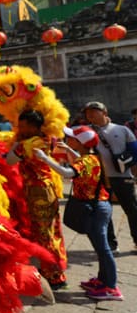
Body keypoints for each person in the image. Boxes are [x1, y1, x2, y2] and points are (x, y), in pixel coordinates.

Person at [35, 126, 123, 300]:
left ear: (80, 142)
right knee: (100, 247)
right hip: (98, 206)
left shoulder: (86, 161)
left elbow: (68, 172)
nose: (68, 139)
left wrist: (45, 159)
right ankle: (103, 280)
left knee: (103, 249)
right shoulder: (90, 157)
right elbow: (80, 162)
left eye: (72, 138)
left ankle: (111, 288)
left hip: (95, 208)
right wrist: (68, 150)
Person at [6, 109, 68, 289]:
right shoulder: (49, 138)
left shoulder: (26, 145)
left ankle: (54, 276)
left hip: (37, 192)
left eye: (24, 125)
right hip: (48, 189)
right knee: (52, 231)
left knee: (44, 234)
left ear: (34, 126)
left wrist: (16, 142)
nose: (21, 129)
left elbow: (10, 160)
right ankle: (54, 269)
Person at [83, 101, 137, 251]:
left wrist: (130, 168)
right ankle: (111, 244)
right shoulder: (86, 133)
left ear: (104, 112)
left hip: (122, 176)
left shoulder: (122, 129)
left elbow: (134, 151)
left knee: (132, 209)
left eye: (94, 111)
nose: (90, 114)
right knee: (104, 212)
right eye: (87, 112)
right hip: (100, 178)